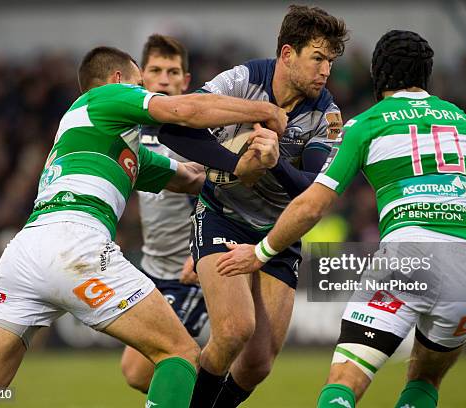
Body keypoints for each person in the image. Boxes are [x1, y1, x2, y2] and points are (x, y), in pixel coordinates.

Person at [0, 45, 286, 408]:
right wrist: (264, 110)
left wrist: (247, 164)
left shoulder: (116, 145)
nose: (148, 90)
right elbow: (181, 110)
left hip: (25, 254)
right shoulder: (104, 97)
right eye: (142, 84)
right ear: (119, 80)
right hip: (73, 243)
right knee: (180, 353)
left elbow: (192, 177)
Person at [217, 30, 466, 408]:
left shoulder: (367, 124)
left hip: (407, 258)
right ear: (426, 76)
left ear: (378, 76)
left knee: (344, 382)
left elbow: (312, 204)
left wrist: (261, 252)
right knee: (425, 378)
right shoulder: (464, 122)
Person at [157, 5, 348, 407]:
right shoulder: (242, 81)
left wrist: (274, 162)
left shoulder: (326, 115)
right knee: (233, 330)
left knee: (258, 363)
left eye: (330, 61)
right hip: (222, 216)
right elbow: (173, 130)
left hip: (278, 232)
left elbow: (309, 192)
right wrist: (237, 165)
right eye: (317, 58)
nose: (325, 70)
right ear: (287, 54)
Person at [119, 33, 209, 394]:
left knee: (143, 369)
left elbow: (219, 194)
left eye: (173, 71)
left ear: (186, 81)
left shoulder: (198, 134)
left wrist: (201, 253)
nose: (165, 78)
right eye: (156, 69)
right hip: (151, 269)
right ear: (142, 78)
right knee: (140, 371)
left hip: (186, 271)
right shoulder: (133, 131)